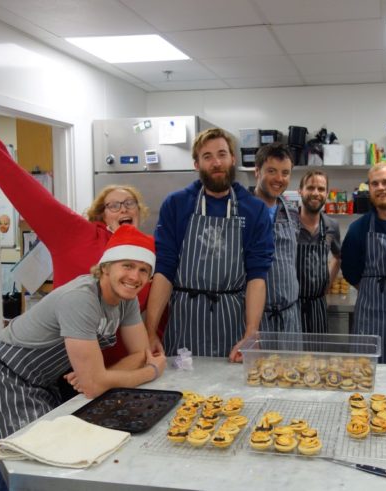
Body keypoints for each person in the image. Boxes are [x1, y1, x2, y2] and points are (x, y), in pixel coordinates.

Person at [0, 225, 166, 489]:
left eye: (143, 270)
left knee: (6, 460)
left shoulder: (127, 300)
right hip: (9, 378)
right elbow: (96, 384)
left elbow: (139, 353)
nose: (134, 276)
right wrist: (151, 371)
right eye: (127, 266)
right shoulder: (81, 299)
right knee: (34, 465)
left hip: (44, 382)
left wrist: (102, 377)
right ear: (106, 267)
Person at [0, 120, 167, 366]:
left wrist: (152, 341)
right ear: (101, 215)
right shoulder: (76, 234)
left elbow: (160, 307)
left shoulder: (147, 253)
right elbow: (30, 195)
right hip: (61, 363)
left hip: (122, 361)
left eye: (130, 204)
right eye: (113, 205)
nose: (123, 209)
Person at [145, 128, 274, 362]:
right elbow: (164, 270)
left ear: (233, 159)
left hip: (232, 321)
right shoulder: (176, 205)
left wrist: (251, 333)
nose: (216, 162)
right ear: (196, 164)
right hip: (185, 321)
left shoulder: (255, 210)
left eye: (222, 154)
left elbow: (257, 276)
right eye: (207, 157)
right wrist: (151, 331)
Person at [341, 163, 386, 364]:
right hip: (369, 314)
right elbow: (351, 272)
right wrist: (374, 289)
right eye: (374, 184)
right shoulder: (358, 228)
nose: (380, 188)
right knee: (365, 370)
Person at [253, 143, 301, 332]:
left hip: (290, 317)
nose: (279, 179)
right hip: (255, 319)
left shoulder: (292, 212)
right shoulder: (241, 211)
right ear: (257, 171)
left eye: (285, 173)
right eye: (271, 171)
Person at [293, 170, 341, 333]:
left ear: (327, 193)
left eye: (321, 189)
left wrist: (327, 284)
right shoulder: (287, 223)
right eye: (310, 188)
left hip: (318, 306)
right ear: (300, 191)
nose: (315, 193)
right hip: (292, 305)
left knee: (317, 355)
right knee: (293, 356)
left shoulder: (331, 226)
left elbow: (337, 257)